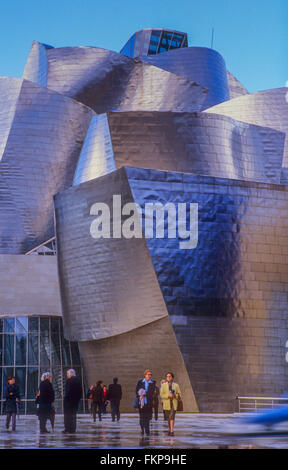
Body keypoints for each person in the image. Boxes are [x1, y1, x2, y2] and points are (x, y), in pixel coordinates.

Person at [160, 372, 182, 436]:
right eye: (167, 376)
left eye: (170, 376)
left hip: (173, 403)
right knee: (168, 417)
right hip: (166, 403)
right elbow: (162, 394)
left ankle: (172, 430)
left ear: (172, 377)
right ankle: (169, 428)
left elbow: (179, 394)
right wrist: (168, 395)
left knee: (172, 416)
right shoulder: (163, 385)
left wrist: (175, 395)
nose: (168, 377)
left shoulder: (176, 385)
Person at [135, 369, 156, 436]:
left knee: (148, 417)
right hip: (141, 402)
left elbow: (152, 391)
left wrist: (145, 394)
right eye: (148, 374)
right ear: (145, 375)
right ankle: (142, 429)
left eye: (150, 375)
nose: (150, 376)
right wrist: (140, 394)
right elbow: (136, 390)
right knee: (142, 416)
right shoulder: (140, 382)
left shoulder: (152, 383)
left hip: (148, 402)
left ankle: (147, 428)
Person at [63, 369, 82, 433]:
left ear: (70, 374)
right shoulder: (78, 381)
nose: (67, 376)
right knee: (73, 416)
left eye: (67, 374)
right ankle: (73, 429)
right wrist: (77, 400)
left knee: (68, 416)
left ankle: (68, 429)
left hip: (69, 402)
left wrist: (66, 399)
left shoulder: (69, 381)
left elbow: (67, 392)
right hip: (75, 402)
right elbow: (80, 392)